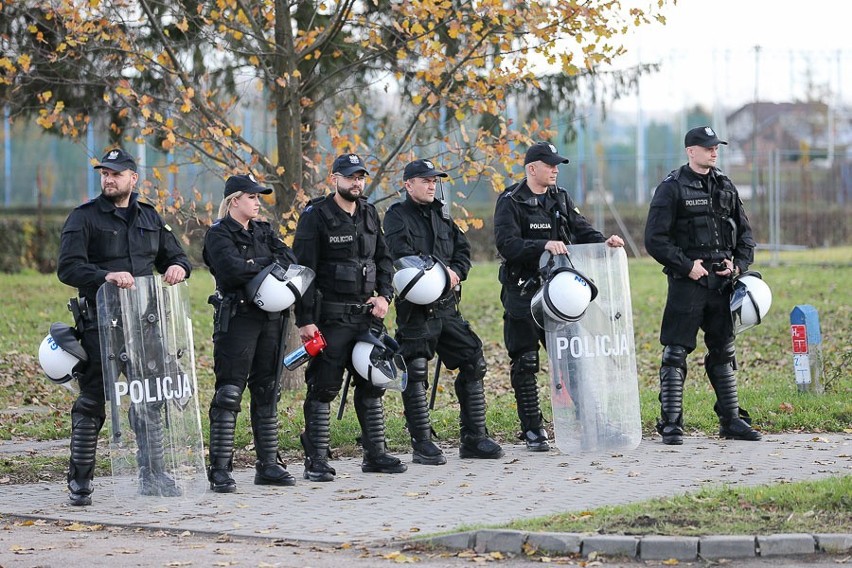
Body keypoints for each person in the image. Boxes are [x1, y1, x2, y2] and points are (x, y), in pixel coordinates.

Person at [57, 148, 191, 506]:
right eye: (104, 173)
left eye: (116, 173)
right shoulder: (84, 217)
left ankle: (154, 474)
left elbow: (175, 256)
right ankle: (80, 481)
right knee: (91, 403)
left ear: (134, 178)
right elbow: (67, 268)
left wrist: (178, 268)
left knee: (150, 399)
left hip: (145, 325)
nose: (108, 179)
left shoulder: (149, 217)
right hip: (101, 326)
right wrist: (105, 276)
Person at [494, 141, 624, 452]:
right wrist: (542, 245)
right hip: (523, 293)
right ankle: (533, 430)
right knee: (525, 362)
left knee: (574, 361)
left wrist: (605, 243)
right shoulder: (510, 201)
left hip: (561, 295)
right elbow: (507, 244)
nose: (555, 170)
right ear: (531, 169)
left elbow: (580, 230)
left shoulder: (559, 198)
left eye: (557, 165)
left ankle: (594, 424)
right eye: (550, 164)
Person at [293, 153, 407, 481]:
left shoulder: (369, 212)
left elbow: (384, 260)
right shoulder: (316, 216)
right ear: (335, 179)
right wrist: (305, 320)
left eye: (360, 177)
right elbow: (304, 271)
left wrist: (386, 296)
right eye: (349, 177)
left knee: (372, 384)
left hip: (368, 319)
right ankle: (315, 459)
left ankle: (375, 454)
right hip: (330, 319)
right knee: (324, 387)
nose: (356, 182)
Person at [645, 126, 761, 445]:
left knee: (723, 350)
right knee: (675, 352)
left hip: (722, 283)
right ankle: (670, 424)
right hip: (688, 282)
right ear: (690, 151)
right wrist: (687, 266)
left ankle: (731, 421)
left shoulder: (725, 184)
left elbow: (746, 236)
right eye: (707, 147)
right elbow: (655, 239)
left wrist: (737, 264)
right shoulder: (671, 188)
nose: (714, 152)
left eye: (716, 147)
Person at [383, 159, 503, 465]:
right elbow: (400, 254)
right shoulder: (397, 216)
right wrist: (439, 270)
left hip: (448, 307)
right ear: (408, 184)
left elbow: (463, 252)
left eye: (434, 180)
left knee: (473, 360)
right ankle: (422, 443)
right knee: (416, 369)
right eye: (425, 180)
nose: (431, 185)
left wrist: (456, 272)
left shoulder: (443, 216)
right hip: (416, 310)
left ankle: (474, 438)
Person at [202, 174, 301, 493]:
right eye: (252, 197)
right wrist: (267, 265)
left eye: (259, 197)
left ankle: (268, 464)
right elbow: (231, 270)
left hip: (271, 319)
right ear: (234, 201)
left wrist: (258, 264)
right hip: (238, 318)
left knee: (267, 390)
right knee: (229, 393)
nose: (258, 202)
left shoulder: (264, 230)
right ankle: (219, 469)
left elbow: (289, 261)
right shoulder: (218, 234)